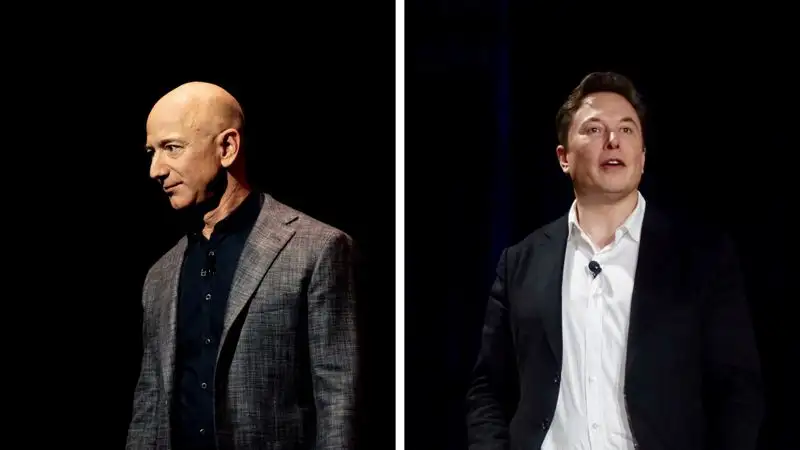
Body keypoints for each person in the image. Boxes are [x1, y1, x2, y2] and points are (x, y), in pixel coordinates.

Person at [465, 72, 764, 449]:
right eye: (594, 129)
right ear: (564, 158)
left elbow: (736, 390)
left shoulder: (701, 257)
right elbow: (489, 388)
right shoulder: (521, 262)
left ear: (642, 157)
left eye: (626, 129)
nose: (613, 141)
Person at [126, 81, 359, 450]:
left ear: (227, 147)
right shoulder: (160, 275)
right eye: (151, 152)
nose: (156, 169)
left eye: (172, 147)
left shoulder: (316, 249)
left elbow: (338, 397)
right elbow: (149, 404)